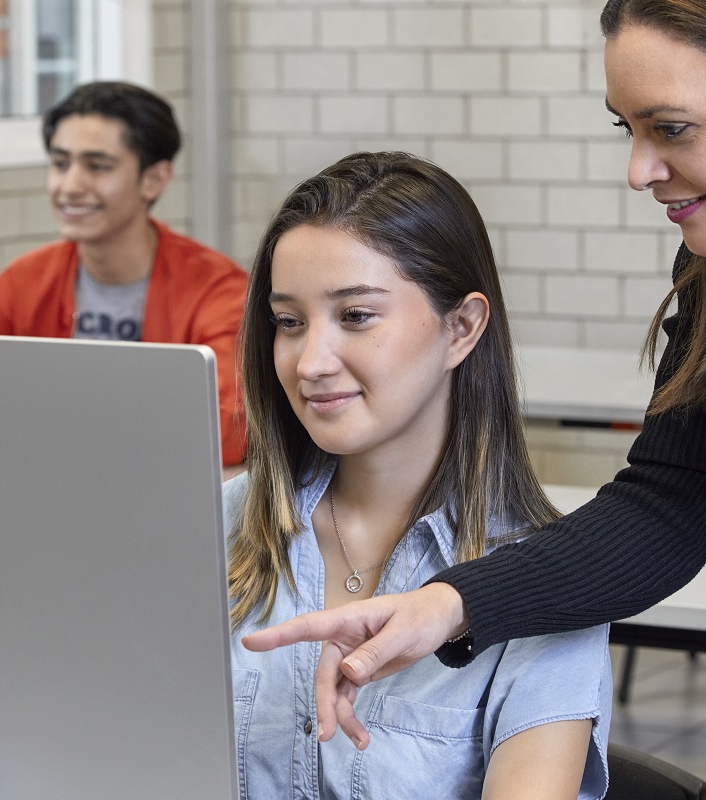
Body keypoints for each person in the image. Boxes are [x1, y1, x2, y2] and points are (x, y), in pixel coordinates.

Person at [242, 0, 706, 794]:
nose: (639, 169)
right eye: (626, 129)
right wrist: (445, 604)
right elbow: (667, 506)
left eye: (671, 128)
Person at [225, 151, 611, 799]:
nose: (310, 360)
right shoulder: (216, 528)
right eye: (289, 322)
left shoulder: (547, 585)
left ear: (461, 328)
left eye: (356, 316)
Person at [0, 81, 248, 467]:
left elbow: (229, 429)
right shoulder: (20, 284)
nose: (70, 186)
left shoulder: (219, 291)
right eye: (60, 164)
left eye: (97, 166)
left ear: (154, 179)